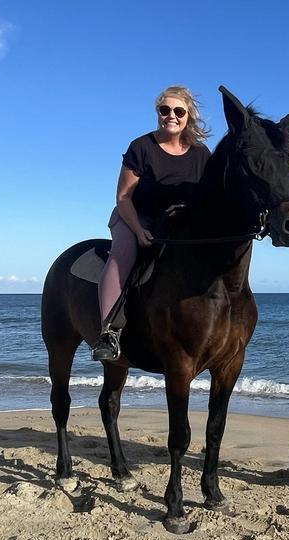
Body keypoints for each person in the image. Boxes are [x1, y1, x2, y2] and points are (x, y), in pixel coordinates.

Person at [91, 86, 212, 361]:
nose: (171, 115)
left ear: (188, 116)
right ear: (158, 113)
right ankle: (108, 332)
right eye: (165, 110)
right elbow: (123, 197)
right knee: (123, 255)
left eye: (178, 111)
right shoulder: (141, 147)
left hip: (175, 223)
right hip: (135, 215)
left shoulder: (201, 155)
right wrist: (138, 230)